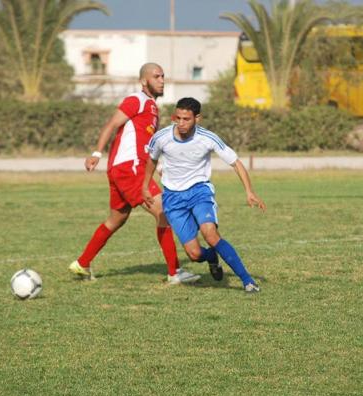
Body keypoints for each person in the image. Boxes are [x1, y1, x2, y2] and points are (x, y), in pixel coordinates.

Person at [68, 63, 200, 284]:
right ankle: (174, 272)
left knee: (116, 219)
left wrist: (158, 166)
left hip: (125, 168)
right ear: (143, 81)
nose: (162, 80)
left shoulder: (153, 109)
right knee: (163, 212)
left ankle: (82, 264)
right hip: (130, 168)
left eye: (163, 76)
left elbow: (146, 144)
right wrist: (96, 153)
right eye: (156, 76)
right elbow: (111, 124)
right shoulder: (136, 100)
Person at [142, 97, 266, 293]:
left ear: (197, 118)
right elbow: (151, 160)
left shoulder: (208, 138)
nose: (181, 123)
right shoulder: (162, 137)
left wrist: (249, 191)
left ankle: (247, 281)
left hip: (199, 192)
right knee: (194, 254)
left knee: (210, 234)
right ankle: (211, 257)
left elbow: (235, 162)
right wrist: (145, 186)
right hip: (173, 198)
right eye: (178, 118)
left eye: (186, 119)